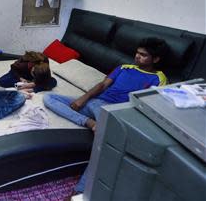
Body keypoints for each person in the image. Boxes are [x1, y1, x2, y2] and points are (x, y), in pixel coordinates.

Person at [43, 37, 168, 194]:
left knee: (102, 146)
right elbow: (102, 85)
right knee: (49, 98)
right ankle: (88, 122)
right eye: (137, 53)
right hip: (95, 103)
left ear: (155, 59)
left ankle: (78, 192)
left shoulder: (159, 78)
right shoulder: (123, 67)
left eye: (143, 55)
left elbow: (147, 104)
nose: (137, 56)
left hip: (114, 112)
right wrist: (83, 98)